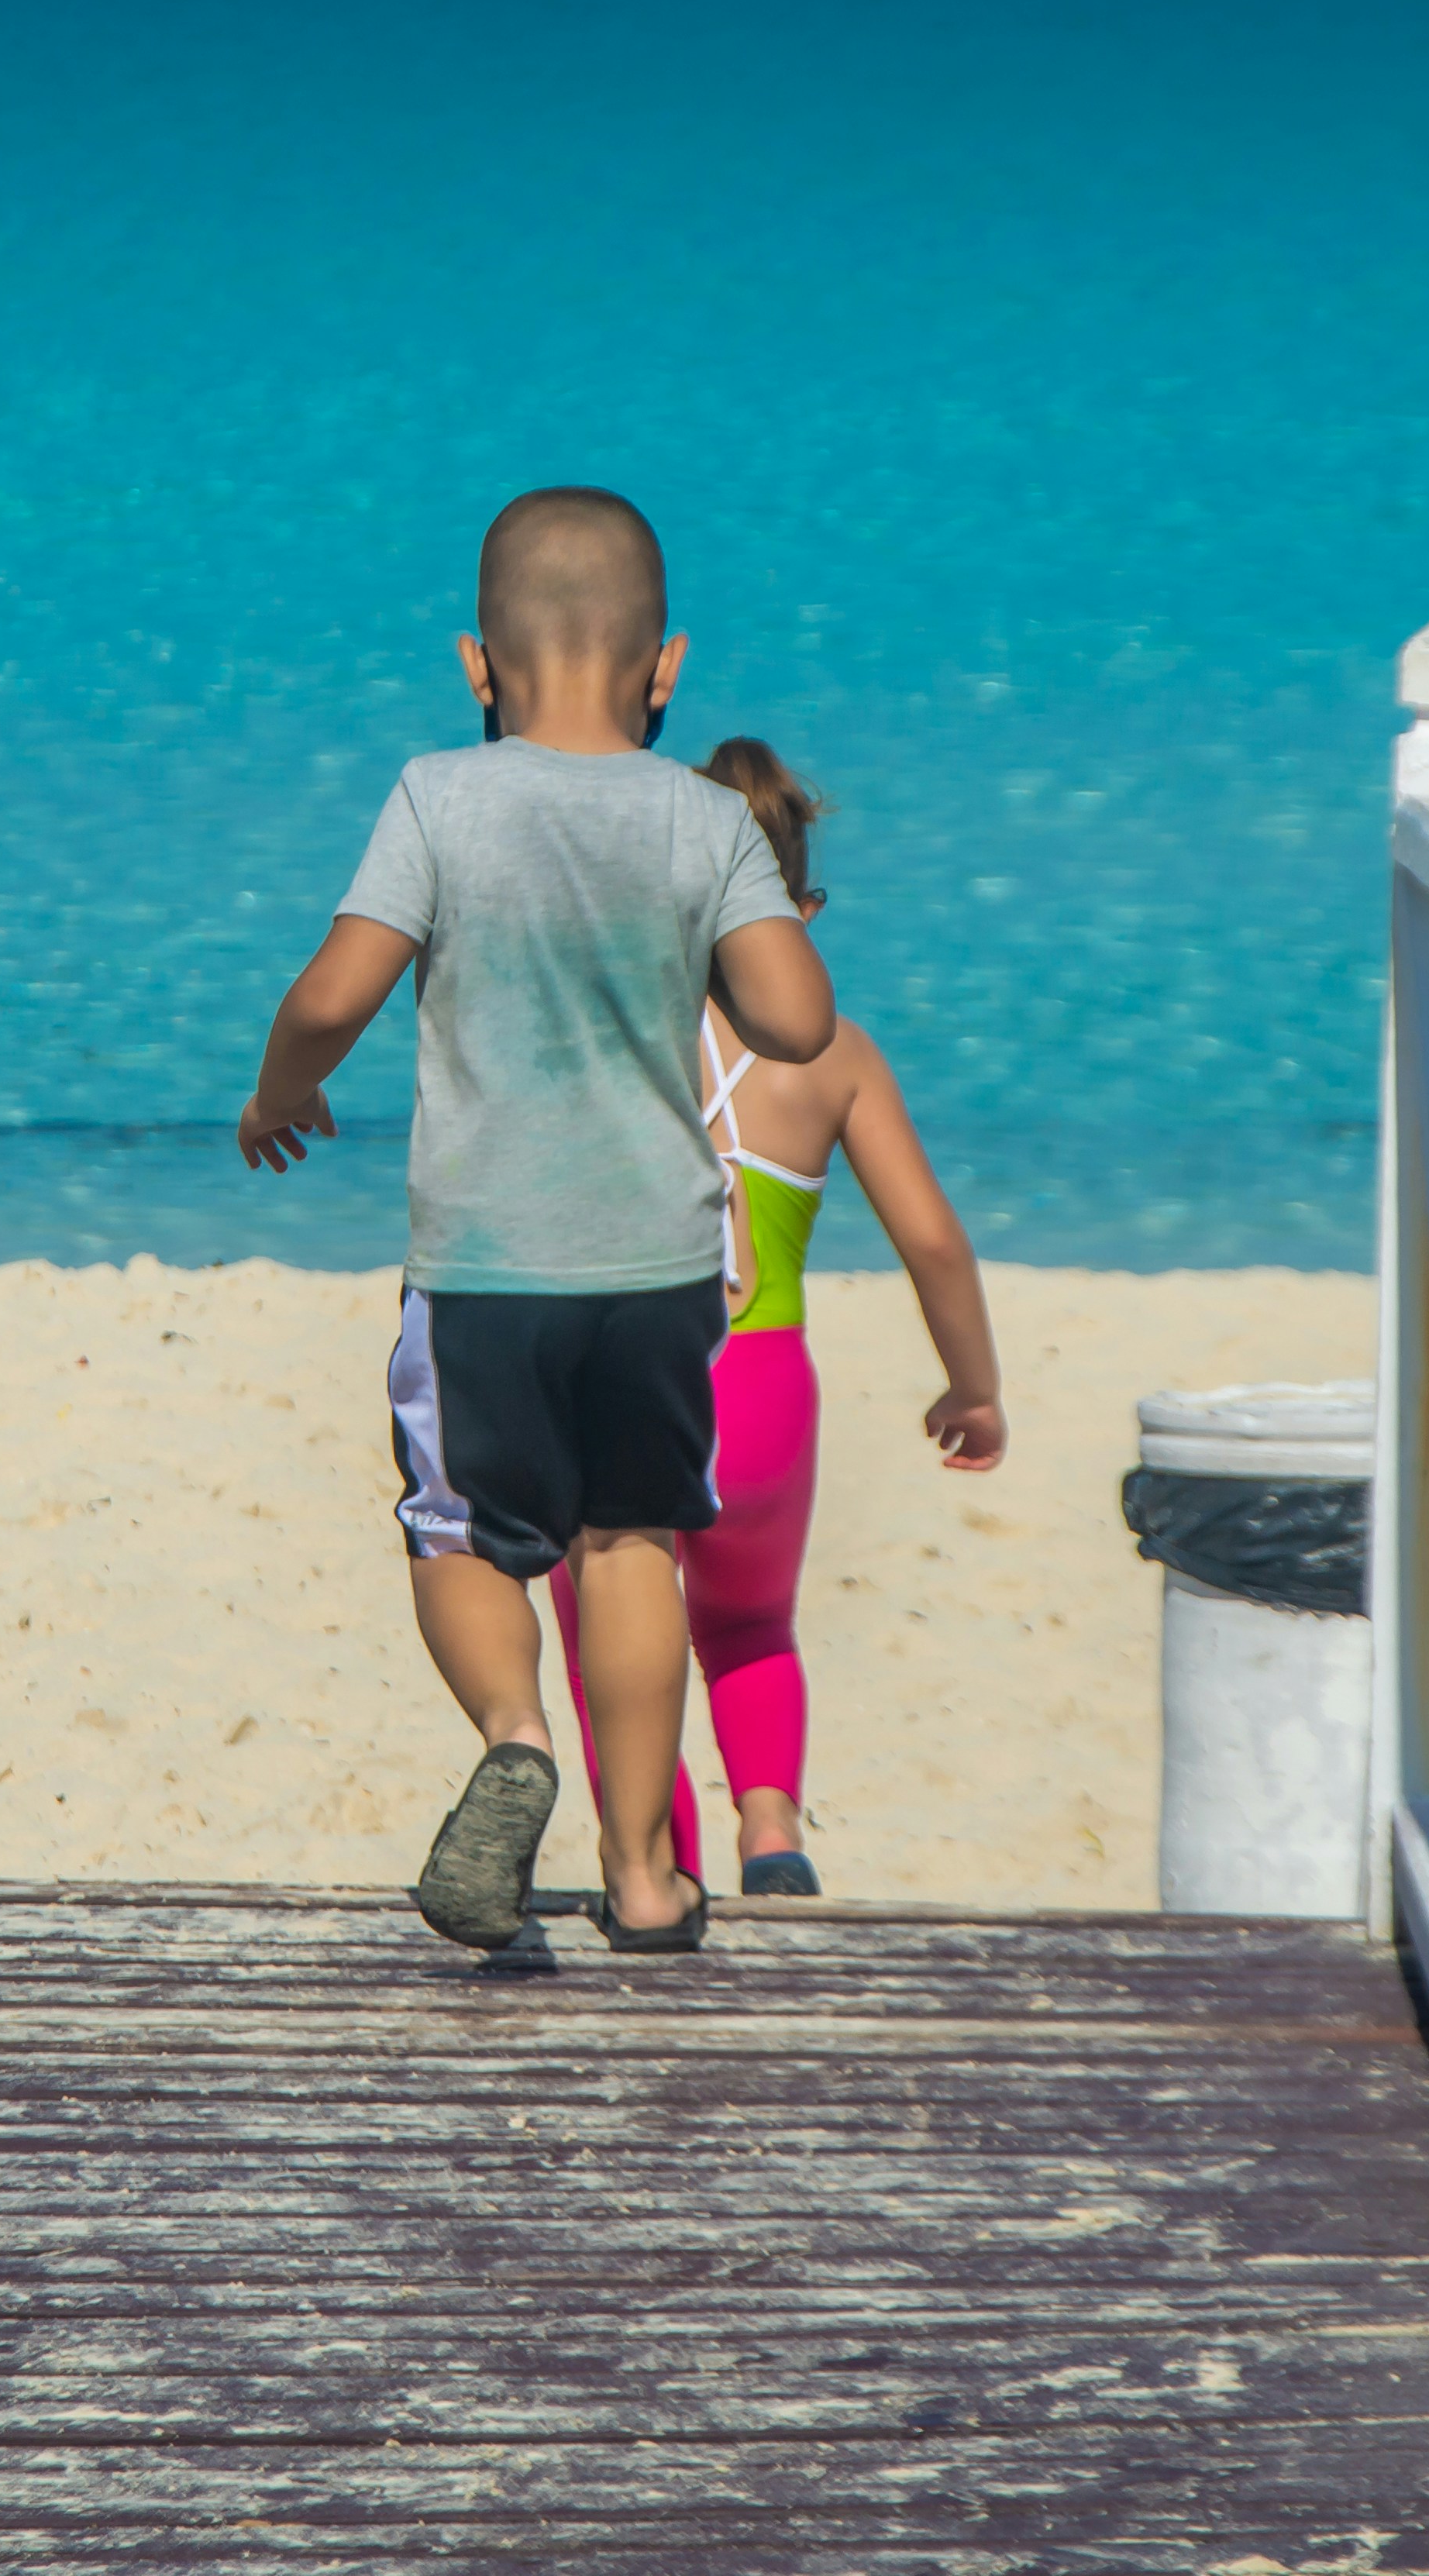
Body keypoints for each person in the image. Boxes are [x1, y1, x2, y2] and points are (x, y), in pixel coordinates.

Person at [236, 487, 838, 1954]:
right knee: (633, 1541)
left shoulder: (440, 796)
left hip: (486, 1263)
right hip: (663, 1269)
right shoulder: (706, 822)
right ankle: (644, 1878)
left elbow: (333, 994)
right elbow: (797, 1019)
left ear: (475, 663)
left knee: (464, 1534)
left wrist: (279, 1090)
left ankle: (515, 1739)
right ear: (668, 665)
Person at [545, 740, 1004, 1900]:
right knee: (749, 1629)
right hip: (761, 1396)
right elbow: (935, 1241)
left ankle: (661, 1861)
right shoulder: (836, 1056)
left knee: (614, 1630)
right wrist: (974, 1386)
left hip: (613, 1387)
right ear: (797, 913)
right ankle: (772, 1831)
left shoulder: (608, 1042)